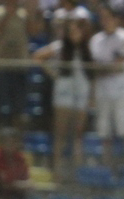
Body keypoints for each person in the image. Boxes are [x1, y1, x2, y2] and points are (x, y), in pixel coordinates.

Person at [89, 4, 124, 180]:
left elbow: (119, 65)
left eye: (108, 17)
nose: (105, 21)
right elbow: (93, 68)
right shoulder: (95, 40)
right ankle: (108, 170)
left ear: (116, 19)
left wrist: (103, 69)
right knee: (105, 134)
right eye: (102, 17)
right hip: (102, 91)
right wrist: (105, 69)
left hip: (122, 92)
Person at [34, 19, 93, 183]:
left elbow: (92, 73)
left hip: (81, 92)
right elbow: (38, 56)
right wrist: (53, 73)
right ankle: (57, 169)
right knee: (60, 133)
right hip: (64, 92)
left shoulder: (86, 49)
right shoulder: (60, 47)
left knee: (78, 133)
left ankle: (76, 171)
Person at [0, 0, 43, 130]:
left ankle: (16, 138)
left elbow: (34, 32)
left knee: (19, 107)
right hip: (1, 66)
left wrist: (34, 13)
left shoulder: (23, 14)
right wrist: (6, 17)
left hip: (20, 66)